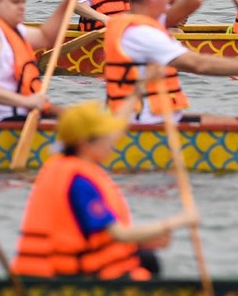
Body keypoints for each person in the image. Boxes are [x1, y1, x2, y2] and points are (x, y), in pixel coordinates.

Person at [14, 101, 196, 280]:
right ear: (86, 143)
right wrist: (179, 221)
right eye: (106, 137)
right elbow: (120, 234)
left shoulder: (69, 165)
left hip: (78, 262)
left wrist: (138, 90)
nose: (112, 143)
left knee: (147, 259)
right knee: (146, 265)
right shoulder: (80, 182)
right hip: (69, 276)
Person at [103, 0, 238, 125]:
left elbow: (191, 0)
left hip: (156, 118)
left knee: (230, 122)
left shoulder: (139, 20)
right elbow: (198, 64)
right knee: (232, 127)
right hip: (145, 125)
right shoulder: (141, 33)